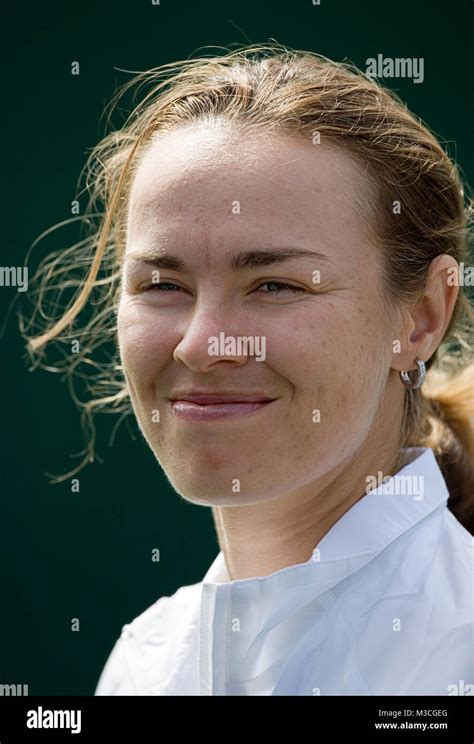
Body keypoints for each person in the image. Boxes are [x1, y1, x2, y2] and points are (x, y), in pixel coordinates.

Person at [24, 43, 474, 695]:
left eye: (275, 285)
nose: (203, 345)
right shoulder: (143, 667)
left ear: (421, 318)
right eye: (162, 284)